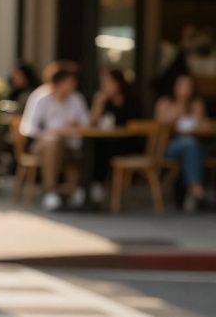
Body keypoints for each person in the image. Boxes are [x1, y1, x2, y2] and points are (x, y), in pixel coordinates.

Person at [19, 68, 91, 211]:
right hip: (42, 145)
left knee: (74, 147)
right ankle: (50, 191)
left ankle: (76, 191)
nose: (74, 85)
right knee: (54, 142)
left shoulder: (76, 99)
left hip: (69, 144)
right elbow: (28, 127)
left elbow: (86, 123)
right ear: (59, 83)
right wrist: (47, 134)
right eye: (69, 82)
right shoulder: (41, 97)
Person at [155, 74, 210, 213]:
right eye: (181, 86)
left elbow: (201, 125)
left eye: (188, 86)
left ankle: (193, 190)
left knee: (192, 146)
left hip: (192, 146)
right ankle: (196, 190)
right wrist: (180, 108)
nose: (184, 89)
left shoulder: (196, 104)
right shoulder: (165, 103)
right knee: (191, 145)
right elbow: (161, 123)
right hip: (168, 147)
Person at [88, 69, 143, 203]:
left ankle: (98, 184)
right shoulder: (102, 99)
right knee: (96, 145)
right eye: (104, 82)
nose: (106, 85)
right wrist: (99, 102)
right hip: (108, 141)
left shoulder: (132, 100)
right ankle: (92, 186)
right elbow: (91, 123)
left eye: (109, 82)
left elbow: (137, 125)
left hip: (130, 143)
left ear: (119, 83)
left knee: (104, 147)